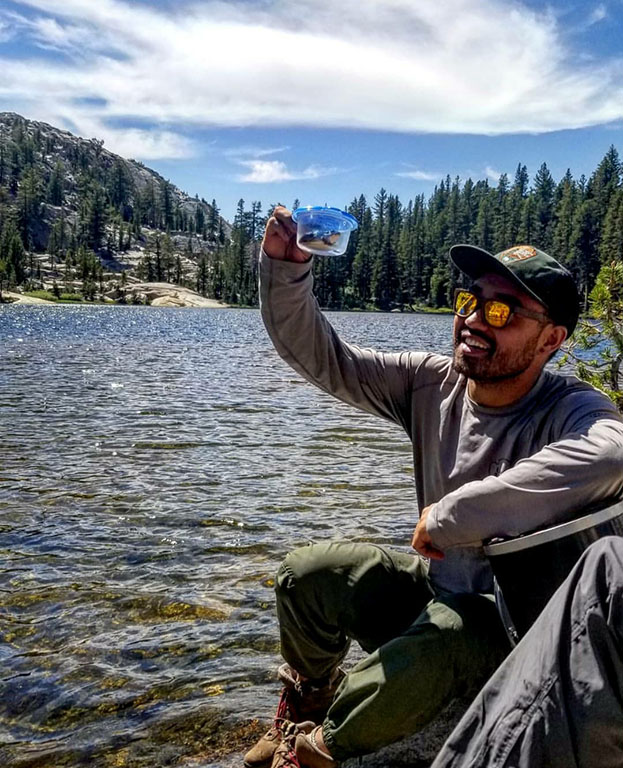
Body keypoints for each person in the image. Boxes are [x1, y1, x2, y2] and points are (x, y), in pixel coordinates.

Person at [244, 205, 623, 768]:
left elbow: (612, 453)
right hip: (438, 586)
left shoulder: (570, 408)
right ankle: (309, 696)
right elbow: (325, 359)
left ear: (551, 339)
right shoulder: (430, 382)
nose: (474, 320)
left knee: (447, 633)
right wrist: (285, 268)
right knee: (309, 575)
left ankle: (318, 748)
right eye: (470, 300)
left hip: (512, 628)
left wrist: (452, 516)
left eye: (501, 311)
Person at [430, 534, 623, 768]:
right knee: (384, 568)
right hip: (453, 582)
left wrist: (438, 523)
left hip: (502, 606)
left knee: (608, 564)